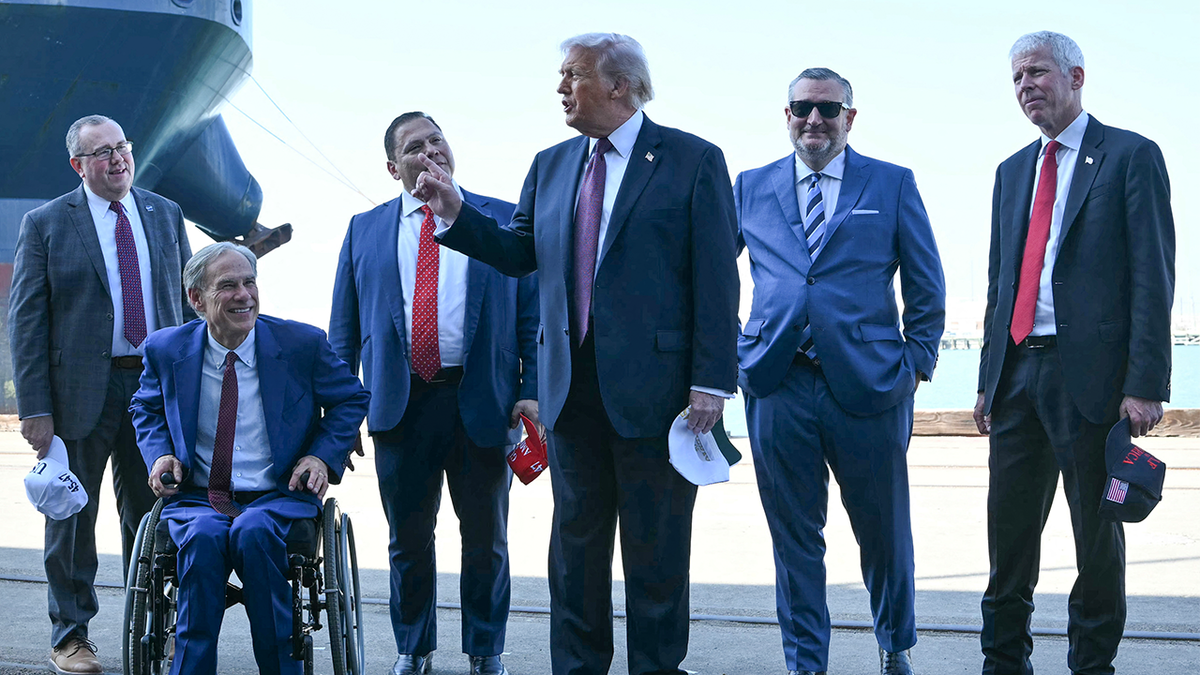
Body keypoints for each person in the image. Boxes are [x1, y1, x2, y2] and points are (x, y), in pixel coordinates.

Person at [418, 32, 739, 675]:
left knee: (657, 555)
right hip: (571, 394)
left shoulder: (693, 160)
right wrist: (455, 213)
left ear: (619, 85)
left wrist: (712, 380)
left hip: (661, 395)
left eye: (574, 75)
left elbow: (717, 279)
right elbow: (518, 254)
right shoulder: (552, 164)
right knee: (575, 556)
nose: (561, 88)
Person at [974, 31, 1174, 675]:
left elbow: (1153, 274)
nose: (1024, 86)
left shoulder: (1130, 156)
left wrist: (1145, 382)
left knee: (1097, 537)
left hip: (1092, 381)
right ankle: (1003, 660)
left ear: (1076, 76)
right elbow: (1000, 284)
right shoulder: (1012, 172)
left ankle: (1092, 664)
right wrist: (986, 379)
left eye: (1036, 72)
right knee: (1008, 537)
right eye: (1015, 79)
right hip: (1016, 375)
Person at [735, 68, 945, 675]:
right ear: (787, 114)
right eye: (802, 108)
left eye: (828, 109)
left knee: (883, 532)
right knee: (794, 538)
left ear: (850, 117)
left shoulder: (892, 182)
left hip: (870, 385)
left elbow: (926, 285)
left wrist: (916, 363)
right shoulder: (750, 186)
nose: (814, 120)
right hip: (778, 382)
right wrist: (733, 354)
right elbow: (712, 276)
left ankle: (894, 643)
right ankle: (806, 662)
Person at [328, 112, 539, 675]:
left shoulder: (500, 219)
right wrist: (340, 416)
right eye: (414, 147)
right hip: (400, 406)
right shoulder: (364, 229)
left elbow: (531, 315)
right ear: (394, 167)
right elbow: (343, 333)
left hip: (483, 402)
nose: (430, 151)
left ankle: (485, 650)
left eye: (437, 140)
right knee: (408, 540)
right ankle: (413, 648)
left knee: (487, 539)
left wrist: (533, 390)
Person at [7, 114, 193, 674]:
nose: (117, 159)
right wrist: (35, 409)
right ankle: (70, 636)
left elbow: (189, 304)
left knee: (155, 513)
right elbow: (27, 321)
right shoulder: (45, 223)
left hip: (154, 387)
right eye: (102, 152)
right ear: (78, 165)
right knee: (71, 518)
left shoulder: (164, 213)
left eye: (122, 147)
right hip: (76, 394)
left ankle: (154, 631)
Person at [129, 242, 370, 675]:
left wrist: (320, 456)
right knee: (201, 539)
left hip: (277, 495)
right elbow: (144, 408)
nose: (244, 295)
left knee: (255, 533)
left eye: (249, 282)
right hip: (198, 496)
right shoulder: (166, 349)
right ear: (196, 299)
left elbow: (351, 400)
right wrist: (160, 454)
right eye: (228, 286)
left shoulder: (301, 344)